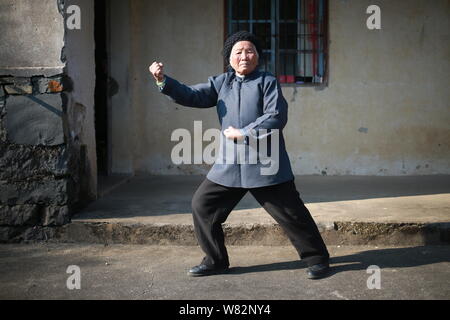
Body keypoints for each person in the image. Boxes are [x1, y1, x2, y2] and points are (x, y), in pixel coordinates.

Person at [149, 31, 330, 279]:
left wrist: (245, 132)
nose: (244, 56)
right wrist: (163, 81)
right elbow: (192, 95)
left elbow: (276, 116)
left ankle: (317, 259)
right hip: (230, 164)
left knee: (292, 214)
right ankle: (215, 261)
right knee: (203, 205)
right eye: (238, 52)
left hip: (266, 163)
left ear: (258, 57)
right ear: (229, 58)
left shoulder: (267, 82)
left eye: (250, 51)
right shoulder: (221, 83)